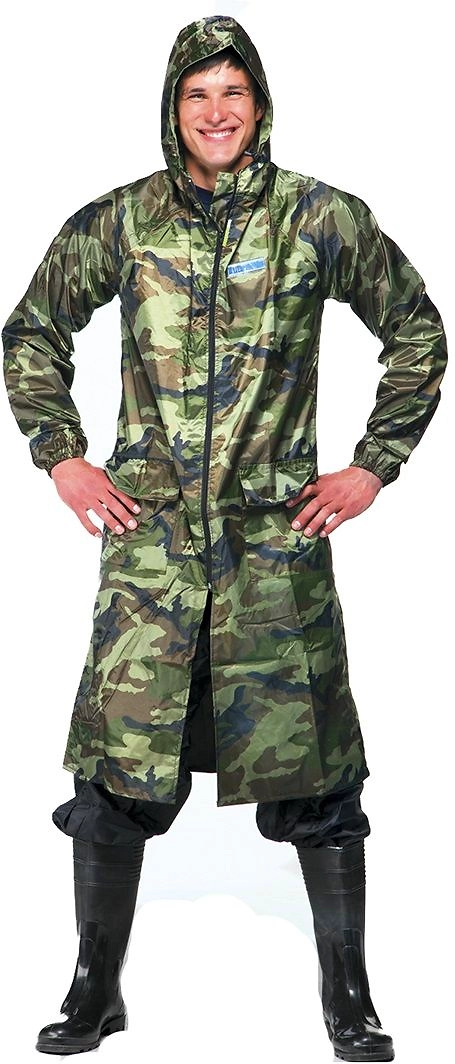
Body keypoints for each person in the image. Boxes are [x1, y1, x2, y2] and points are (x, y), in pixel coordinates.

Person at [2, 13, 447, 1062]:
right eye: (197, 94)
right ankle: (94, 988)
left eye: (232, 92)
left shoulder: (319, 218)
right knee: (113, 780)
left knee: (320, 783)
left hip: (273, 554)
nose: (216, 112)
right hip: (150, 555)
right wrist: (62, 455)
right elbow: (32, 331)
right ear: (173, 108)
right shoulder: (121, 221)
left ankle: (348, 996)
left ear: (259, 104)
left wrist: (371, 464)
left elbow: (416, 330)